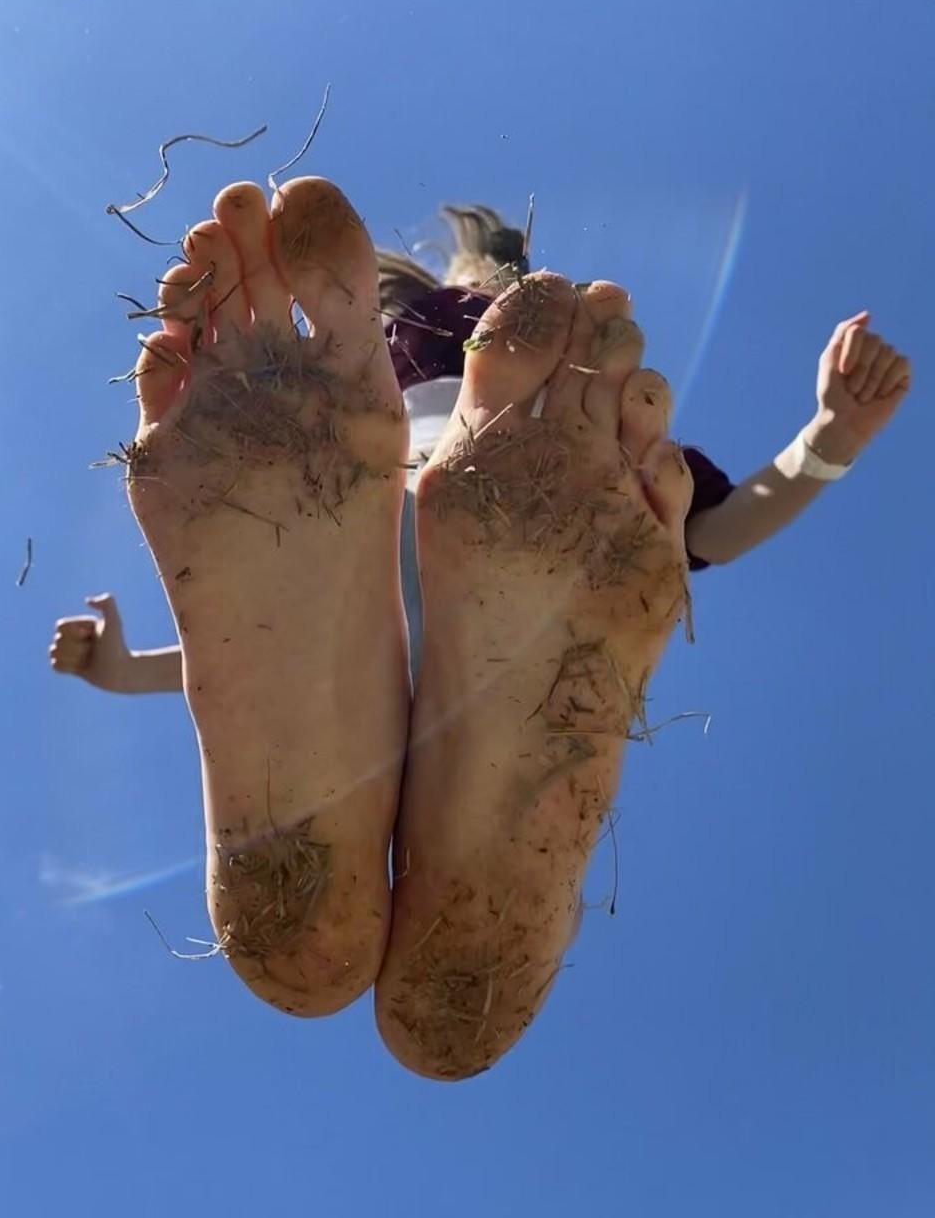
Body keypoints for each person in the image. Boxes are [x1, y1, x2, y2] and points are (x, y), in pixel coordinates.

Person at [48, 182, 909, 1078]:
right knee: (483, 577)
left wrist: (126, 669)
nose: (493, 307)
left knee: (326, 597)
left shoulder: (401, 359)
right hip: (501, 566)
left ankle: (373, 594)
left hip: (386, 541)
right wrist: (830, 440)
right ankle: (498, 849)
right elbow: (717, 532)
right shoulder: (587, 406)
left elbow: (251, 648)